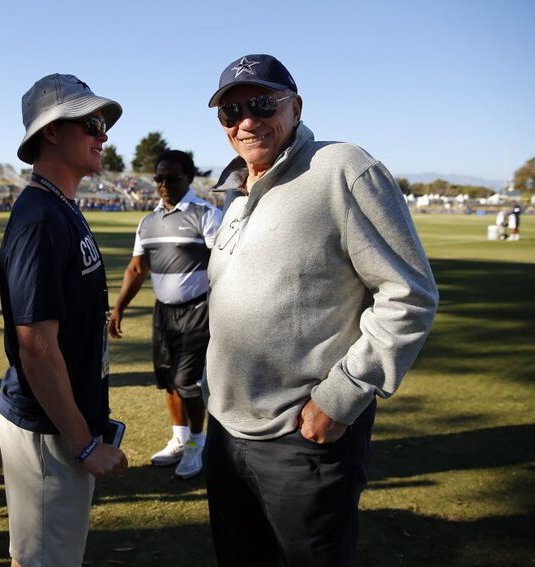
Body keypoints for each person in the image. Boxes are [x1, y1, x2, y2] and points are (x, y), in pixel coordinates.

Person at [202, 54, 439, 566]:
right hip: (225, 431)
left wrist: (340, 397)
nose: (246, 121)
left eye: (261, 103)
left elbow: (408, 294)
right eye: (230, 112)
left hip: (300, 438)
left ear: (296, 106)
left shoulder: (343, 168)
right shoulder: (238, 193)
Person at [0, 73, 128, 567]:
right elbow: (37, 347)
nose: (104, 135)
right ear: (51, 131)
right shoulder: (40, 220)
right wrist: (84, 443)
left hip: (61, 424)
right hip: (51, 431)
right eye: (92, 123)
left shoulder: (60, 206)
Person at [108, 150, 222, 479]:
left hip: (198, 310)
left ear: (188, 179)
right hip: (163, 313)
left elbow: (223, 265)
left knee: (188, 382)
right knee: (168, 380)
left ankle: (197, 445)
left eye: (172, 178)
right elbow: (137, 268)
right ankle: (180, 438)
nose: (163, 184)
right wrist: (119, 308)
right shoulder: (147, 222)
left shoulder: (206, 215)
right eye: (159, 178)